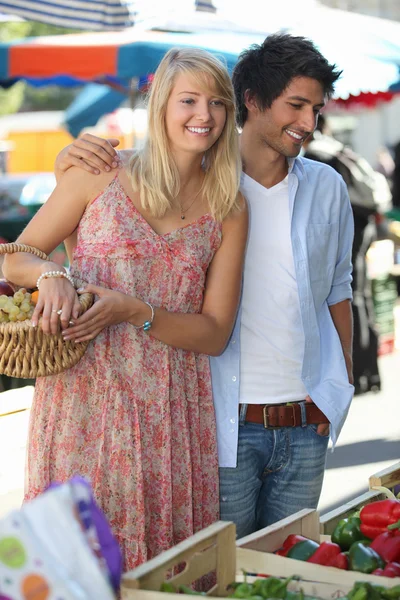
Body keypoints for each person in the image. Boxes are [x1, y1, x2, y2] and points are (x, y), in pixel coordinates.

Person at [55, 33, 355, 539]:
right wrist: (68, 164)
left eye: (316, 109)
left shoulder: (327, 186)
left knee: (293, 575)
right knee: (218, 575)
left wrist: (337, 390)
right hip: (219, 424)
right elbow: (106, 236)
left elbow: (337, 292)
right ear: (253, 103)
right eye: (296, 106)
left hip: (306, 423)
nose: (309, 123)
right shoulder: (200, 184)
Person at [3, 48, 248, 568]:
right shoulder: (99, 173)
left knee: (163, 567)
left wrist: (135, 309)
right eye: (188, 100)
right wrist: (52, 274)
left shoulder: (229, 205)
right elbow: (13, 257)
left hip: (170, 412)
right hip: (82, 403)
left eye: (216, 103)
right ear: (160, 105)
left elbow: (215, 332)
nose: (203, 115)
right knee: (77, 565)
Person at [304, 115, 384, 395]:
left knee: (348, 296)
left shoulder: (315, 157)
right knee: (360, 296)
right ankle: (371, 373)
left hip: (347, 227)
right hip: (365, 224)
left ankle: (359, 372)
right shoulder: (337, 149)